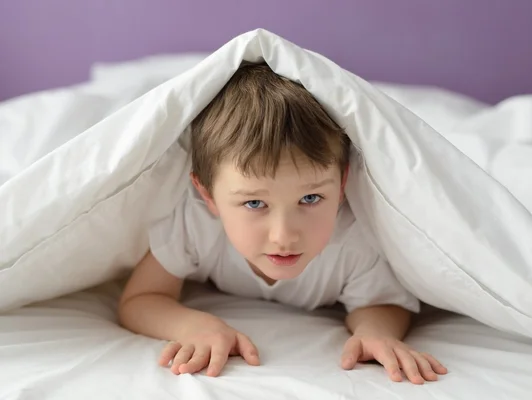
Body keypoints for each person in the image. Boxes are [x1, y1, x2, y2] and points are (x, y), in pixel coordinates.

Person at [118, 62, 447, 384]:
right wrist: (193, 327)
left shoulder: (353, 239)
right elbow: (142, 299)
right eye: (255, 203)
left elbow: (379, 302)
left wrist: (374, 332)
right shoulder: (195, 224)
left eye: (310, 199)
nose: (284, 235)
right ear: (209, 197)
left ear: (343, 184)